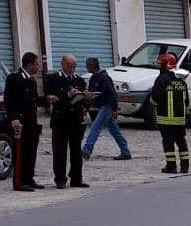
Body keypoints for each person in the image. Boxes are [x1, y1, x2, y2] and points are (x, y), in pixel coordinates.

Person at [46, 54, 91, 188]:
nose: (72, 69)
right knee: (60, 151)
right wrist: (67, 95)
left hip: (76, 120)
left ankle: (76, 178)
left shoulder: (79, 80)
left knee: (76, 151)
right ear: (63, 65)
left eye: (74, 67)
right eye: (70, 66)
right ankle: (60, 179)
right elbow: (51, 98)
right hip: (60, 120)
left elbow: (84, 102)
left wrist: (87, 99)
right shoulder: (53, 78)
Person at [5, 52, 46, 191]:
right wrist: (14, 117)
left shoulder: (31, 80)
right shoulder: (14, 78)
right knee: (20, 151)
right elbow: (9, 100)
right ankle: (19, 181)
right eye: (36, 64)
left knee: (31, 151)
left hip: (31, 122)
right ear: (29, 64)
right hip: (20, 121)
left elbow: (34, 101)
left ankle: (29, 178)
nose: (39, 67)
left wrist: (48, 100)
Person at [81, 57, 131, 161]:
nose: (86, 67)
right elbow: (91, 94)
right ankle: (125, 151)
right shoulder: (93, 78)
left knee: (96, 126)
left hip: (107, 105)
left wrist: (114, 109)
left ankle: (87, 149)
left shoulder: (104, 78)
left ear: (92, 66)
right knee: (114, 130)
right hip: (101, 106)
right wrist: (86, 106)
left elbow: (112, 94)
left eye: (87, 65)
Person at [151, 53, 190, 174]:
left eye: (161, 65)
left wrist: (151, 101)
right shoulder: (181, 81)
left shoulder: (161, 80)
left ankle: (171, 166)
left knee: (168, 143)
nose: (159, 67)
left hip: (165, 119)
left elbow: (154, 99)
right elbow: (187, 101)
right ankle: (185, 166)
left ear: (165, 65)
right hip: (180, 119)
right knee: (181, 141)